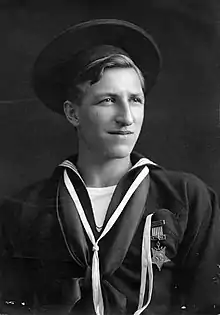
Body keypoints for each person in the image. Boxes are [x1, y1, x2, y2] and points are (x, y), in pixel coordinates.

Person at [0, 19, 220, 315]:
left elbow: (209, 302)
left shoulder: (187, 197)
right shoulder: (24, 209)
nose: (126, 117)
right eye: (108, 100)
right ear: (73, 113)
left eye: (135, 100)